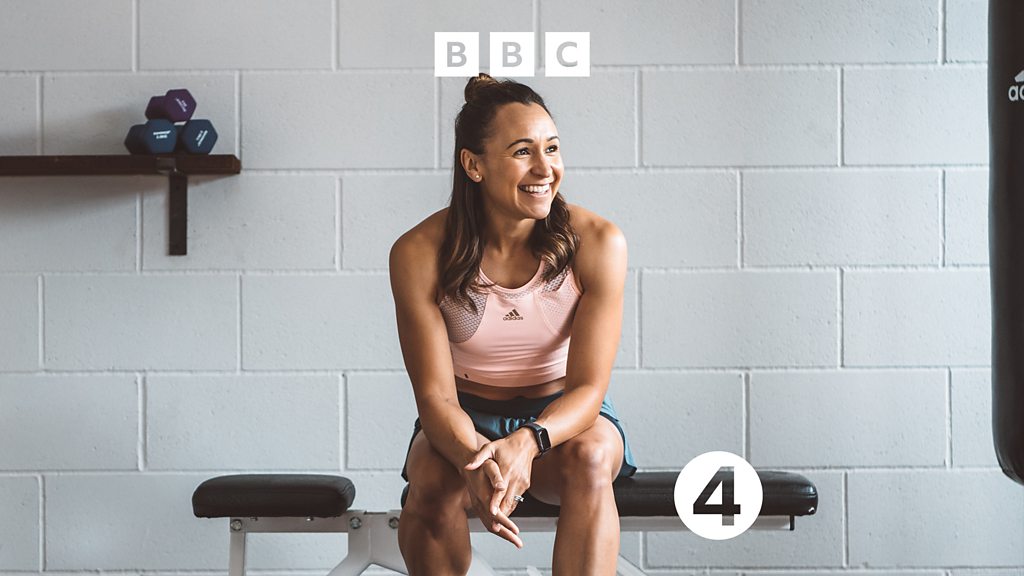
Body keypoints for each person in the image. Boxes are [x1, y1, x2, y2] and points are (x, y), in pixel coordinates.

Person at [388, 72, 637, 576]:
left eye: (552, 148)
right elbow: (435, 398)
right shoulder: (418, 252)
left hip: (563, 420)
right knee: (431, 480)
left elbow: (589, 389)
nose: (545, 169)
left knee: (591, 460)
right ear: (473, 165)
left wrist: (528, 441)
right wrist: (475, 456)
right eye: (523, 151)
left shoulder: (598, 242)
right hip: (464, 415)